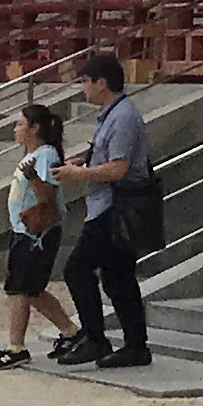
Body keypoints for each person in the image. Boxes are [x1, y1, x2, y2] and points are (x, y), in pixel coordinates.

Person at [51, 48, 155, 370]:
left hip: (113, 206)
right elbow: (108, 157)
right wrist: (83, 161)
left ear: (102, 83)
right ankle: (134, 345)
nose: (84, 88)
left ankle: (96, 338)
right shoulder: (113, 114)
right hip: (107, 204)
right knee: (117, 276)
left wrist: (77, 174)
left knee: (78, 269)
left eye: (86, 81)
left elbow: (118, 168)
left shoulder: (122, 117)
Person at [0, 99, 76, 373]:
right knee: (32, 289)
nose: (16, 129)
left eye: (20, 124)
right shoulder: (39, 155)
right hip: (27, 231)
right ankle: (70, 331)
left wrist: (33, 177)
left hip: (35, 233)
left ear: (34, 128)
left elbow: (47, 194)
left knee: (19, 288)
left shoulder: (45, 155)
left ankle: (16, 347)